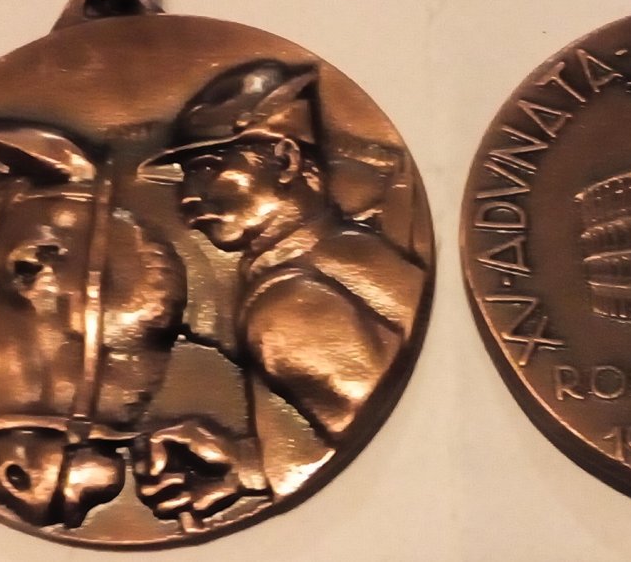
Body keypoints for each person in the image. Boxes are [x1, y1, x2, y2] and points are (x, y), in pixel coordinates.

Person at [136, 61, 424, 520]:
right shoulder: (351, 253)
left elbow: (406, 455)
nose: (187, 198)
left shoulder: (285, 307)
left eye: (207, 167)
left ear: (287, 161)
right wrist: (249, 464)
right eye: (186, 175)